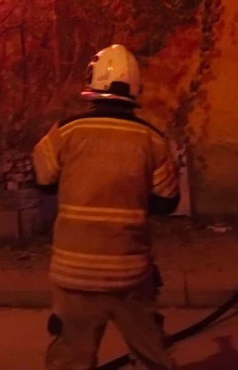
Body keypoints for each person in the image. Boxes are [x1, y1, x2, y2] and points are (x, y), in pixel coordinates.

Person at [32, 43, 180, 370]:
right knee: (151, 353)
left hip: (74, 274)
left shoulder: (65, 132)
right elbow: (166, 202)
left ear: (92, 82)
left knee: (70, 357)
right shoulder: (152, 140)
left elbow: (43, 180)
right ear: (135, 87)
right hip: (130, 274)